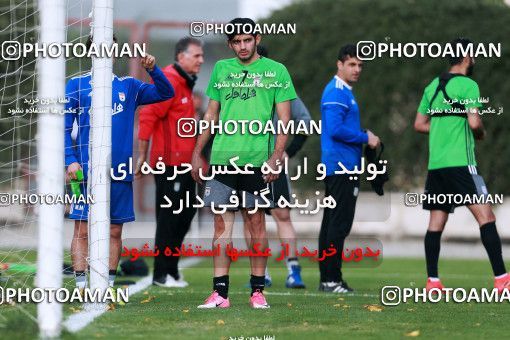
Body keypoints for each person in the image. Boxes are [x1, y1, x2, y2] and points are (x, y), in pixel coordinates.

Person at [191, 18, 296, 308]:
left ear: (257, 38)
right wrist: (198, 152)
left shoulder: (276, 71)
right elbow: (211, 115)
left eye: (247, 40)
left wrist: (276, 157)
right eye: (236, 42)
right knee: (221, 228)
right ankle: (220, 294)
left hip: (258, 161)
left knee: (256, 224)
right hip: (223, 159)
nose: (242, 46)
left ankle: (257, 292)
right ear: (230, 44)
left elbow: (285, 120)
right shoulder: (222, 70)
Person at [65, 35, 174, 290]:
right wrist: (70, 161)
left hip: (118, 173)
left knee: (114, 231)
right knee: (82, 230)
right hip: (84, 173)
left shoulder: (129, 86)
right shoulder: (76, 85)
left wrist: (153, 70)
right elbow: (63, 127)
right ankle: (81, 286)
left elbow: (166, 92)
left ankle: (107, 286)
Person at [414, 37, 510, 293]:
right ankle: (502, 280)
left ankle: (432, 282)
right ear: (467, 58)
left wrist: (445, 125)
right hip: (461, 163)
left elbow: (419, 124)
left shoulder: (432, 86)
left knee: (436, 224)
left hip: (437, 166)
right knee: (486, 217)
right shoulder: (468, 85)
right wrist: (479, 133)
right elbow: (475, 122)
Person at [136, 37, 204, 288]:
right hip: (169, 164)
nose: (201, 60)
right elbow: (148, 115)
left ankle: (172, 270)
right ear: (181, 56)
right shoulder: (169, 80)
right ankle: (161, 274)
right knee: (169, 218)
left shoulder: (186, 83)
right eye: (196, 55)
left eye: (201, 55)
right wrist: (142, 155)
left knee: (186, 214)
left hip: (186, 165)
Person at [242, 45, 311, 289]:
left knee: (282, 215)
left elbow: (305, 123)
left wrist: (287, 153)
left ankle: (293, 270)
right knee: (251, 218)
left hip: (272, 164)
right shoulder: (236, 89)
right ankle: (261, 273)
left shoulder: (281, 87)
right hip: (244, 164)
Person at [319, 44, 380, 293]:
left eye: (360, 65)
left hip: (341, 165)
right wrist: (366, 138)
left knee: (331, 223)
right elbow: (334, 130)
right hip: (341, 166)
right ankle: (331, 279)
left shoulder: (344, 91)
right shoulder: (336, 92)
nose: (357, 69)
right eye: (352, 64)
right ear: (339, 64)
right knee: (339, 224)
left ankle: (328, 279)